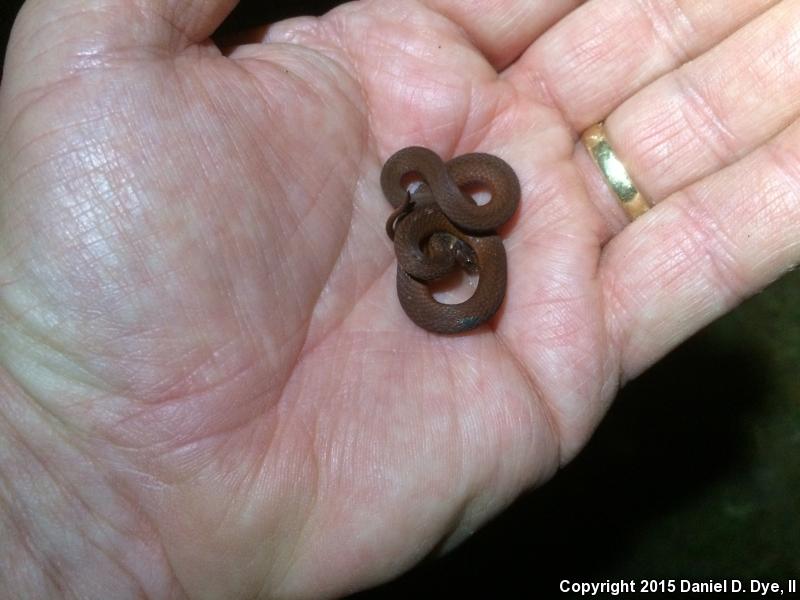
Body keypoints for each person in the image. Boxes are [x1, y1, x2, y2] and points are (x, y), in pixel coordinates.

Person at [0, 0, 796, 597]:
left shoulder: (442, 208)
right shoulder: (423, 218)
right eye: (439, 247)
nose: (445, 250)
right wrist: (60, 459)